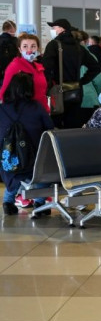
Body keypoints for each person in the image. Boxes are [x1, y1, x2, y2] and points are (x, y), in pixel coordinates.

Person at [0, 73, 54, 215]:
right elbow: (49, 128)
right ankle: (39, 202)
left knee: (13, 171)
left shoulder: (2, 109)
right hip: (34, 159)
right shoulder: (36, 107)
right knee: (46, 169)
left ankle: (8, 201)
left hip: (9, 158)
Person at [43, 18, 99, 128]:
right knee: (73, 125)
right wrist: (82, 81)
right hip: (76, 92)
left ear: (62, 29)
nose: (52, 30)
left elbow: (46, 68)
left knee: (56, 124)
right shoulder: (79, 47)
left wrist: (48, 86)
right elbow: (95, 67)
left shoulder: (53, 45)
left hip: (57, 92)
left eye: (54, 27)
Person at [0, 33, 49, 113]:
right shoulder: (14, 66)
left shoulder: (38, 67)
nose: (29, 50)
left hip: (41, 111)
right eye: (25, 46)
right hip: (25, 114)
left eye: (33, 46)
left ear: (37, 48)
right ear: (19, 49)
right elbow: (4, 92)